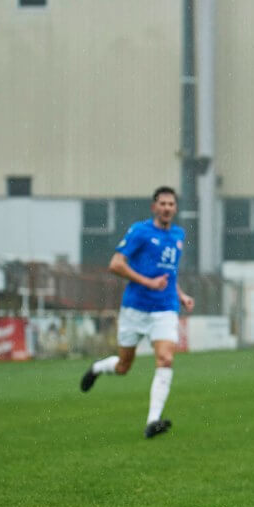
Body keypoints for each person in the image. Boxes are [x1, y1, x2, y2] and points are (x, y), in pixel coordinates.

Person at [79, 186, 195, 439]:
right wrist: (147, 282)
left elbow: (169, 274)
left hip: (165, 308)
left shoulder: (178, 234)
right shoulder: (140, 231)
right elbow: (115, 264)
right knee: (124, 366)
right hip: (135, 308)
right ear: (154, 207)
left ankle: (153, 421)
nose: (167, 208)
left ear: (175, 208)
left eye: (171, 204)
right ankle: (97, 368)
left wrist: (181, 295)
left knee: (165, 359)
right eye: (162, 204)